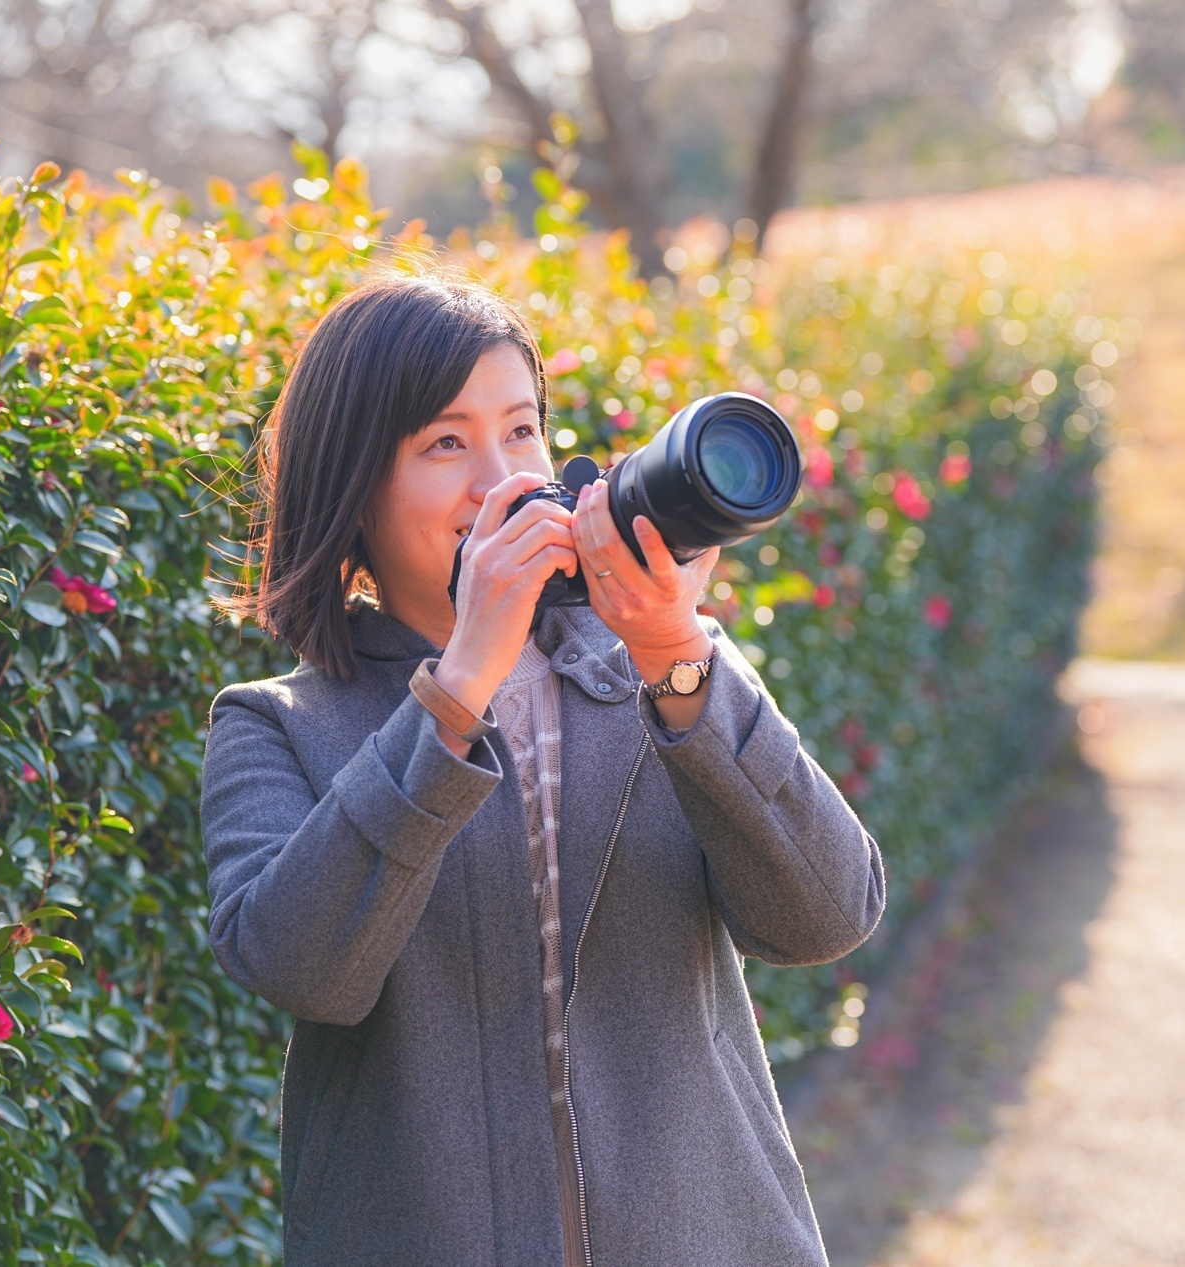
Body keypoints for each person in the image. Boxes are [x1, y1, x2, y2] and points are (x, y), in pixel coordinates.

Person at [199, 271, 886, 1266]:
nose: (502, 479)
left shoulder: (663, 670)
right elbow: (308, 971)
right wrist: (459, 681)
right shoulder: (276, 726)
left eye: (520, 432)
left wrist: (676, 657)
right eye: (445, 442)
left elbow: (828, 915)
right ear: (352, 490)